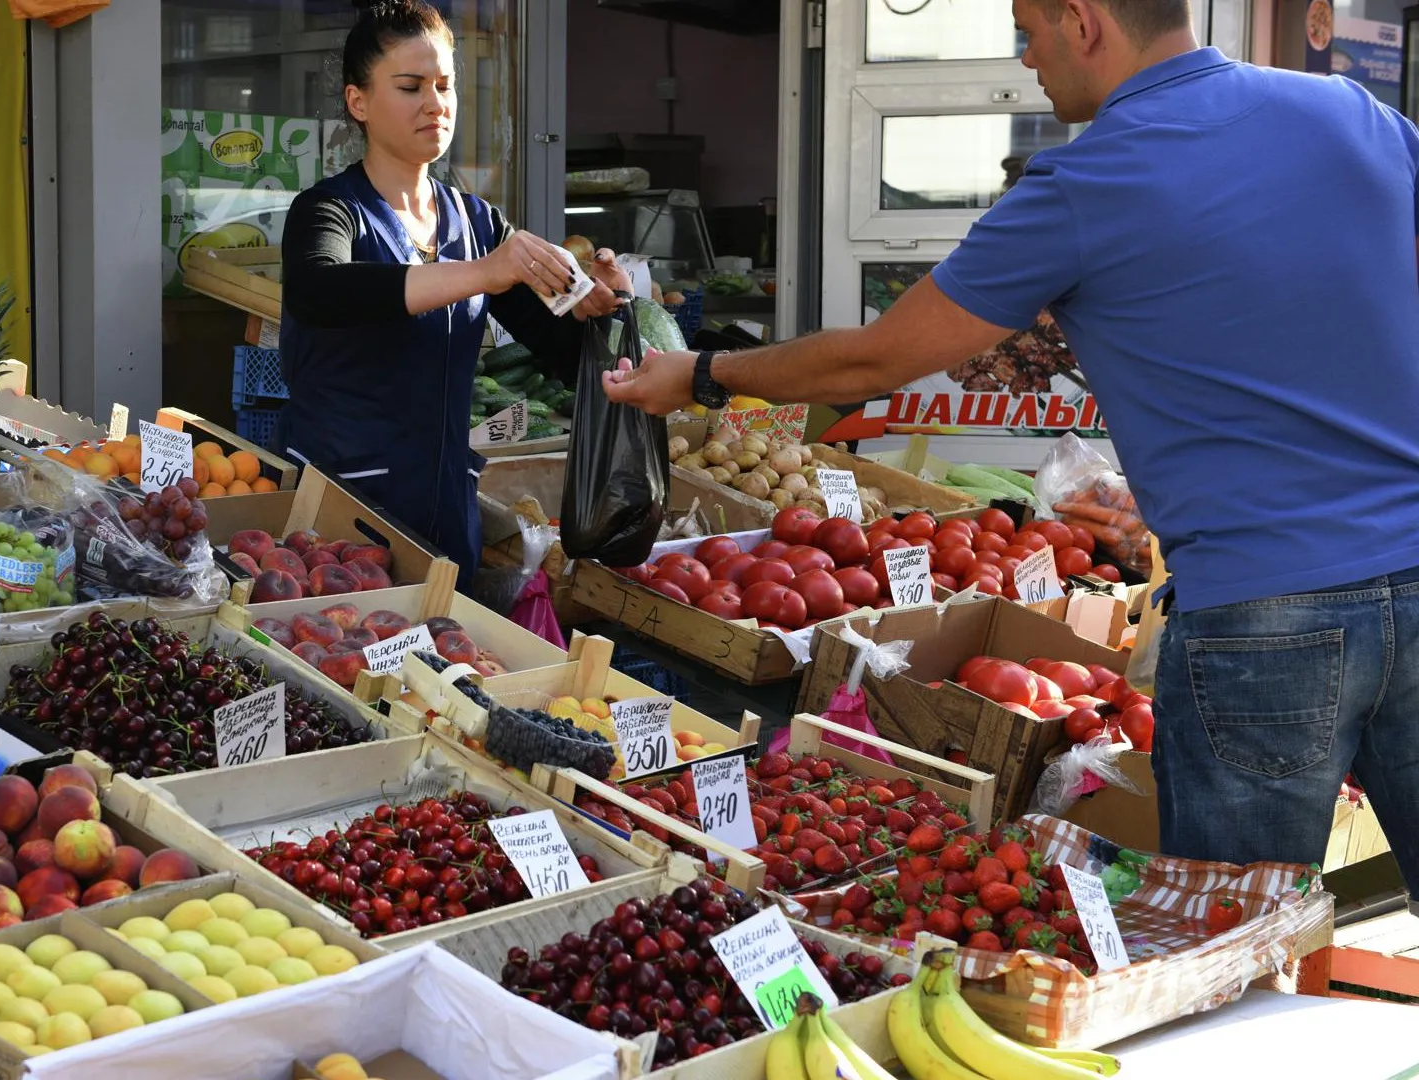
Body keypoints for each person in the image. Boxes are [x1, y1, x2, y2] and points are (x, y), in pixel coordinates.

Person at [606, 0, 1419, 882]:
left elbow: (877, 359)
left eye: (1028, 30)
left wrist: (698, 374)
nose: (1026, 59)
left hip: (1265, 619)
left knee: (1237, 942)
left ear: (1083, 20)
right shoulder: (1354, 115)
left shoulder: (1089, 181)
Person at [278, 0, 627, 588]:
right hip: (342, 515)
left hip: (443, 502)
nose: (436, 105)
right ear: (358, 101)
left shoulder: (476, 222)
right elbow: (320, 291)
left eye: (446, 86)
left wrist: (604, 307)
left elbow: (560, 349)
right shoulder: (328, 210)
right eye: (411, 86)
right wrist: (483, 274)